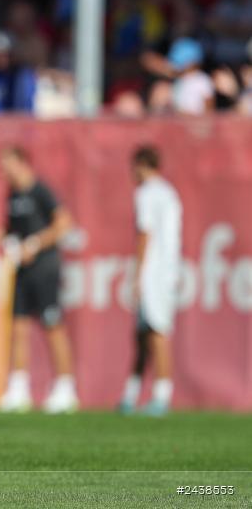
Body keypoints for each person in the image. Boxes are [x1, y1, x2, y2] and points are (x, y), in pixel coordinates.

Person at [0, 146, 77, 414]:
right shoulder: (12, 195)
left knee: (52, 325)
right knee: (18, 327)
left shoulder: (40, 190)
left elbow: (64, 223)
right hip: (20, 271)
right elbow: (10, 235)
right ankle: (19, 389)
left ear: (21, 162)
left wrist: (35, 244)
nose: (2, 171)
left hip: (45, 269)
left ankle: (65, 388)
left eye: (6, 164)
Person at [119, 146, 182, 417]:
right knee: (143, 334)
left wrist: (137, 274)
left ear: (142, 164)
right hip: (168, 270)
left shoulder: (146, 193)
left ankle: (161, 396)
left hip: (154, 272)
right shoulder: (169, 192)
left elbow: (144, 234)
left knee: (157, 331)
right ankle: (131, 394)